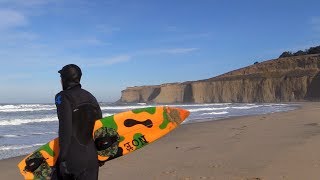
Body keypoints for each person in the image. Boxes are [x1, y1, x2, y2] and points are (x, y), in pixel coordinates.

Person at [53, 64, 102, 180]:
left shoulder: (62, 97)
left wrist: (62, 159)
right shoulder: (91, 97)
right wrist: (100, 153)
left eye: (61, 77)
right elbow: (99, 126)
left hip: (72, 157)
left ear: (65, 78)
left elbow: (65, 128)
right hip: (92, 156)